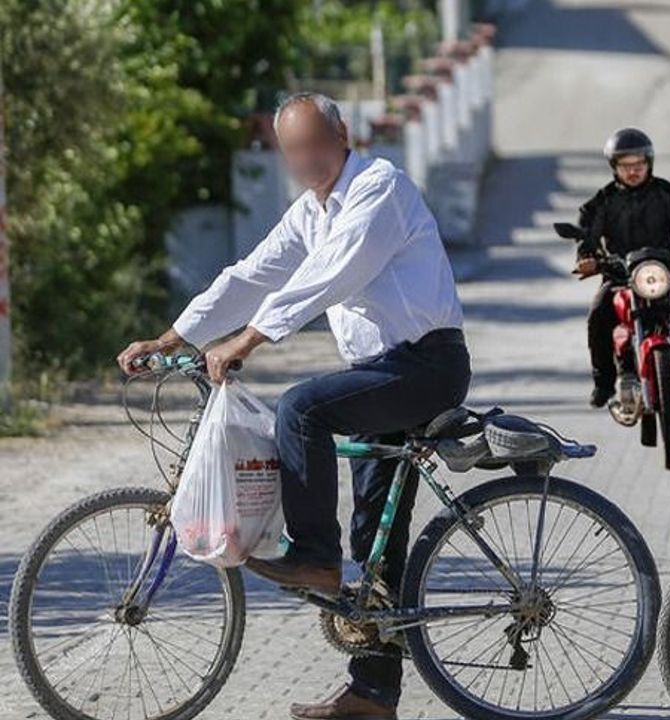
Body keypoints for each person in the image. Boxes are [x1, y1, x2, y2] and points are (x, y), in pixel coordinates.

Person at [116, 92, 469, 720]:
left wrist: (249, 338)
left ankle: (313, 557)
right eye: (293, 152)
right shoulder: (311, 210)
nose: (306, 161)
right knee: (375, 538)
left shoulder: (377, 188)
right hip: (381, 374)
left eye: (314, 145)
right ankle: (373, 694)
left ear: (342, 136)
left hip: (425, 366)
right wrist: (173, 338)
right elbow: (252, 273)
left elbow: (332, 273)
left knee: (302, 407)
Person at [575, 127, 670, 407]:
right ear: (614, 167)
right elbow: (587, 234)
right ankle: (603, 382)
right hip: (620, 274)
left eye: (638, 165)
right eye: (625, 166)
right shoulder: (602, 201)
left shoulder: (667, 193)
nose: (633, 171)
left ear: (648, 164)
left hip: (666, 271)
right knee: (598, 314)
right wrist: (587, 256)